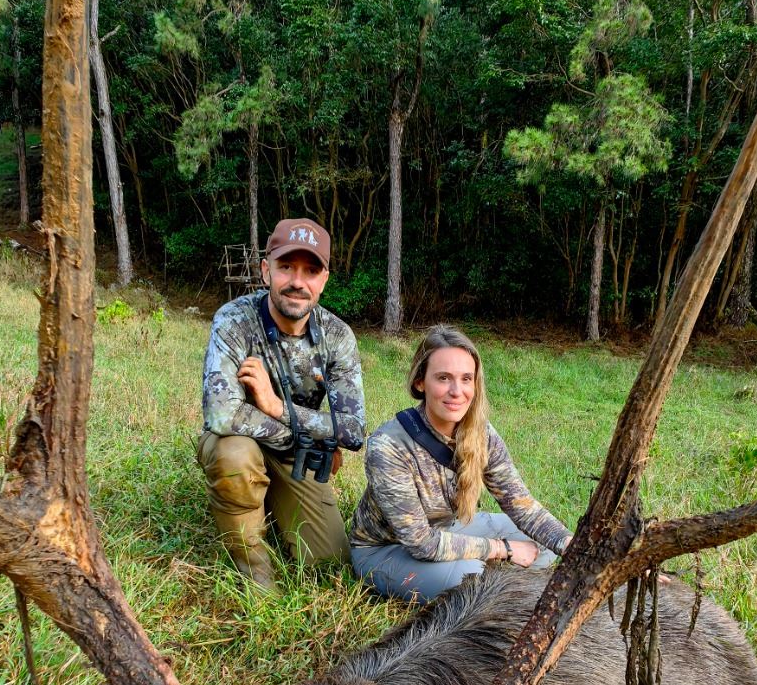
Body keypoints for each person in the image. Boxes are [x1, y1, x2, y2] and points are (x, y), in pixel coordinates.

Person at [350, 324, 572, 604]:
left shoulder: (481, 433)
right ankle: (490, 585)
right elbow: (421, 542)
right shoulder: (388, 446)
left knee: (544, 543)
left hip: (448, 530)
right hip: (388, 550)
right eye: (443, 378)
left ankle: (495, 583)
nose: (457, 391)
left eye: (466, 379)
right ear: (420, 382)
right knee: (470, 581)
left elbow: (521, 505)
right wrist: (502, 549)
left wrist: (571, 545)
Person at [199, 217, 365, 590]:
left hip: (294, 454)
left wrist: (278, 407)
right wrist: (305, 435)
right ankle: (255, 573)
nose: (297, 282)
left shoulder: (337, 336)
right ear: (265, 270)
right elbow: (222, 414)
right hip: (242, 441)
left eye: (311, 271)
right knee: (234, 455)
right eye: (286, 266)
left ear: (324, 280)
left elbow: (353, 430)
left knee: (330, 561)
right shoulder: (234, 320)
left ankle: (271, 501)